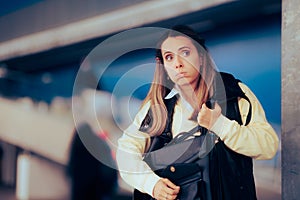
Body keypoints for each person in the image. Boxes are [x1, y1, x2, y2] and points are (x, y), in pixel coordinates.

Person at [116, 25, 279, 200]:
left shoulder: (233, 93)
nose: (177, 63)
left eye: (185, 53)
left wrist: (220, 125)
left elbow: (268, 145)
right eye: (169, 57)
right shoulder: (156, 108)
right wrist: (152, 184)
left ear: (201, 56)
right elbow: (126, 151)